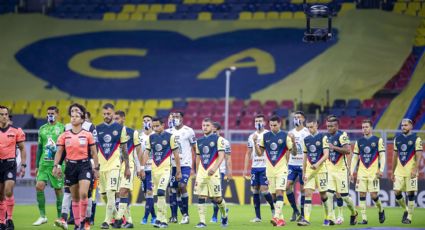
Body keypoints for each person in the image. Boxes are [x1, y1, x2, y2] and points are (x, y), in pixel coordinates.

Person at [53, 111, 100, 230]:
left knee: (84, 193)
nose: (73, 119)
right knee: (74, 197)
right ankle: (78, 224)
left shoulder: (88, 134)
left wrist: (96, 168)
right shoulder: (65, 135)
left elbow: (94, 152)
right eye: (72, 116)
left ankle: (85, 221)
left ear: (82, 119)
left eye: (76, 116)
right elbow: (59, 152)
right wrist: (56, 166)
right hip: (70, 167)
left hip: (85, 165)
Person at [253, 115, 295, 227]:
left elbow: (294, 152)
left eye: (275, 125)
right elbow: (259, 153)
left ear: (280, 124)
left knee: (280, 191)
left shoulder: (285, 136)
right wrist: (254, 143)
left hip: (281, 169)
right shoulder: (265, 136)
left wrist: (294, 141)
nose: (273, 127)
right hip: (269, 170)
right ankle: (281, 220)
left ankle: (276, 217)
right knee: (273, 195)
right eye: (271, 125)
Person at [139, 117, 181, 228]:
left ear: (163, 125)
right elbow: (146, 153)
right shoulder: (150, 138)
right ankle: (159, 219)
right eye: (154, 126)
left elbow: (176, 154)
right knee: (158, 195)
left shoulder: (170, 137)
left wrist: (178, 170)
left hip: (166, 169)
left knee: (161, 192)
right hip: (154, 170)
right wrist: (142, 168)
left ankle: (163, 221)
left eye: (157, 126)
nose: (155, 128)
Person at [96, 103, 130, 229]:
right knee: (104, 195)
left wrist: (127, 167)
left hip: (114, 166)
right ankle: (117, 217)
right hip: (101, 166)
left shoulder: (120, 129)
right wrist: (95, 166)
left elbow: (125, 149)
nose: (106, 116)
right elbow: (94, 149)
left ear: (113, 113)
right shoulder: (97, 128)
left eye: (109, 114)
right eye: (104, 114)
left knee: (111, 193)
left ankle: (106, 221)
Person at [33, 106, 65, 226]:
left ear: (57, 114)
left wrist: (61, 164)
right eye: (48, 113)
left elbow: (65, 147)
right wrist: (36, 165)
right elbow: (40, 148)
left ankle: (60, 218)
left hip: (56, 165)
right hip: (43, 164)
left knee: (58, 190)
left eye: (52, 113)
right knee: (39, 186)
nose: (50, 115)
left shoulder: (62, 128)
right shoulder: (42, 129)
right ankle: (42, 216)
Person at [193, 118, 228, 228]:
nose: (205, 127)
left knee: (217, 199)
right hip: (202, 172)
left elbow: (222, 156)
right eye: (203, 125)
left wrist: (215, 167)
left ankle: (224, 215)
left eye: (207, 125)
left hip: (214, 172)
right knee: (201, 196)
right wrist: (196, 171)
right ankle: (202, 221)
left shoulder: (219, 140)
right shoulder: (198, 141)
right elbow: (198, 157)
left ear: (212, 127)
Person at [350, 119, 386, 225]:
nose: (364, 129)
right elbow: (355, 158)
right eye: (363, 127)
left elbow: (382, 156)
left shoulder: (378, 140)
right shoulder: (359, 142)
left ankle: (381, 210)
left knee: (374, 195)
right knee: (361, 194)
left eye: (366, 127)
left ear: (371, 128)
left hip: (373, 173)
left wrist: (381, 169)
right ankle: (364, 219)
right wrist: (351, 172)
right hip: (361, 172)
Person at [297, 119, 330, 226]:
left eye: (312, 127)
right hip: (310, 170)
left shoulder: (323, 137)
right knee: (307, 193)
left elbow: (326, 155)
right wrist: (303, 171)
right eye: (308, 127)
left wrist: (317, 164)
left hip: (321, 169)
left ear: (316, 125)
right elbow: (305, 156)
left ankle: (327, 217)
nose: (310, 129)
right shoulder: (305, 139)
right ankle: (306, 219)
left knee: (323, 195)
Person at [326, 115, 358, 225]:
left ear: (336, 126)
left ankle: (354, 212)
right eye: (327, 126)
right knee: (329, 194)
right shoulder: (327, 137)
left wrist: (334, 147)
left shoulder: (342, 136)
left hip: (341, 171)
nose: (328, 128)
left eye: (331, 126)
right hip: (330, 170)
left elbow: (348, 150)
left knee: (344, 196)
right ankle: (331, 218)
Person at [243, 114, 275, 223]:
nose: (258, 123)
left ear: (265, 122)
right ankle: (258, 217)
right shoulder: (251, 136)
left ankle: (273, 207)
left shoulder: (268, 134)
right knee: (255, 190)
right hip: (254, 167)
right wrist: (245, 169)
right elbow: (248, 153)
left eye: (260, 120)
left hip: (265, 166)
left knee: (264, 190)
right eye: (256, 121)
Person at [112, 111, 141, 228]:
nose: (115, 121)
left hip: (128, 166)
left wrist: (139, 167)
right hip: (114, 166)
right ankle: (128, 221)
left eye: (117, 118)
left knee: (123, 191)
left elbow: (137, 151)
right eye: (114, 119)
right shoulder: (112, 133)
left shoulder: (132, 133)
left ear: (123, 119)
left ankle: (118, 220)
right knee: (117, 193)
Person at [0, 106, 27, 230]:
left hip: (10, 164)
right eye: (2, 114)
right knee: (0, 195)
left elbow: (22, 148)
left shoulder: (16, 131)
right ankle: (2, 221)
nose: (4, 116)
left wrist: (23, 165)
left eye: (6, 114)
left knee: (8, 191)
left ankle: (9, 219)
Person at [392, 118, 422, 224]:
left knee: (410, 193)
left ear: (411, 126)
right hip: (399, 171)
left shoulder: (416, 139)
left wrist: (415, 168)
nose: (403, 127)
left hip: (411, 171)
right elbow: (395, 156)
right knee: (397, 192)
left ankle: (409, 217)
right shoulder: (397, 139)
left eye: (405, 125)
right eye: (402, 125)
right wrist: (392, 171)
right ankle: (406, 210)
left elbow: (419, 155)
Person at [169, 111, 196, 224]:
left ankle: (186, 215)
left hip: (185, 164)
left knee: (182, 185)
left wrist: (194, 167)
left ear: (182, 118)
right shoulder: (168, 131)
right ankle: (174, 216)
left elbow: (195, 148)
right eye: (173, 117)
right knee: (173, 190)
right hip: (173, 165)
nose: (175, 118)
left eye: (177, 117)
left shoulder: (189, 131)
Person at [287, 111, 310, 221]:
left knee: (302, 189)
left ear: (304, 119)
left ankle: (302, 213)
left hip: (303, 165)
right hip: (291, 164)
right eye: (295, 117)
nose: (296, 119)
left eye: (298, 117)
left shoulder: (307, 132)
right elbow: (288, 150)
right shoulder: (290, 132)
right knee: (287, 187)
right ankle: (295, 210)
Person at [211, 122, 232, 223]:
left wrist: (229, 172)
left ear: (219, 131)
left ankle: (214, 216)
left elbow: (228, 158)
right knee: (210, 195)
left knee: (217, 194)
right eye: (212, 131)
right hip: (209, 171)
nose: (214, 133)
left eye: (215, 131)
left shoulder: (225, 142)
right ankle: (224, 208)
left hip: (220, 171)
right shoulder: (207, 141)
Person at [139, 115, 157, 225]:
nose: (146, 122)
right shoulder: (139, 137)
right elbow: (138, 154)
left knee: (150, 192)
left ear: (152, 123)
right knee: (146, 194)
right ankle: (154, 216)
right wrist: (139, 168)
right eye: (144, 121)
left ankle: (145, 217)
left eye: (148, 121)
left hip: (153, 168)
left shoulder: (156, 136)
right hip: (143, 169)